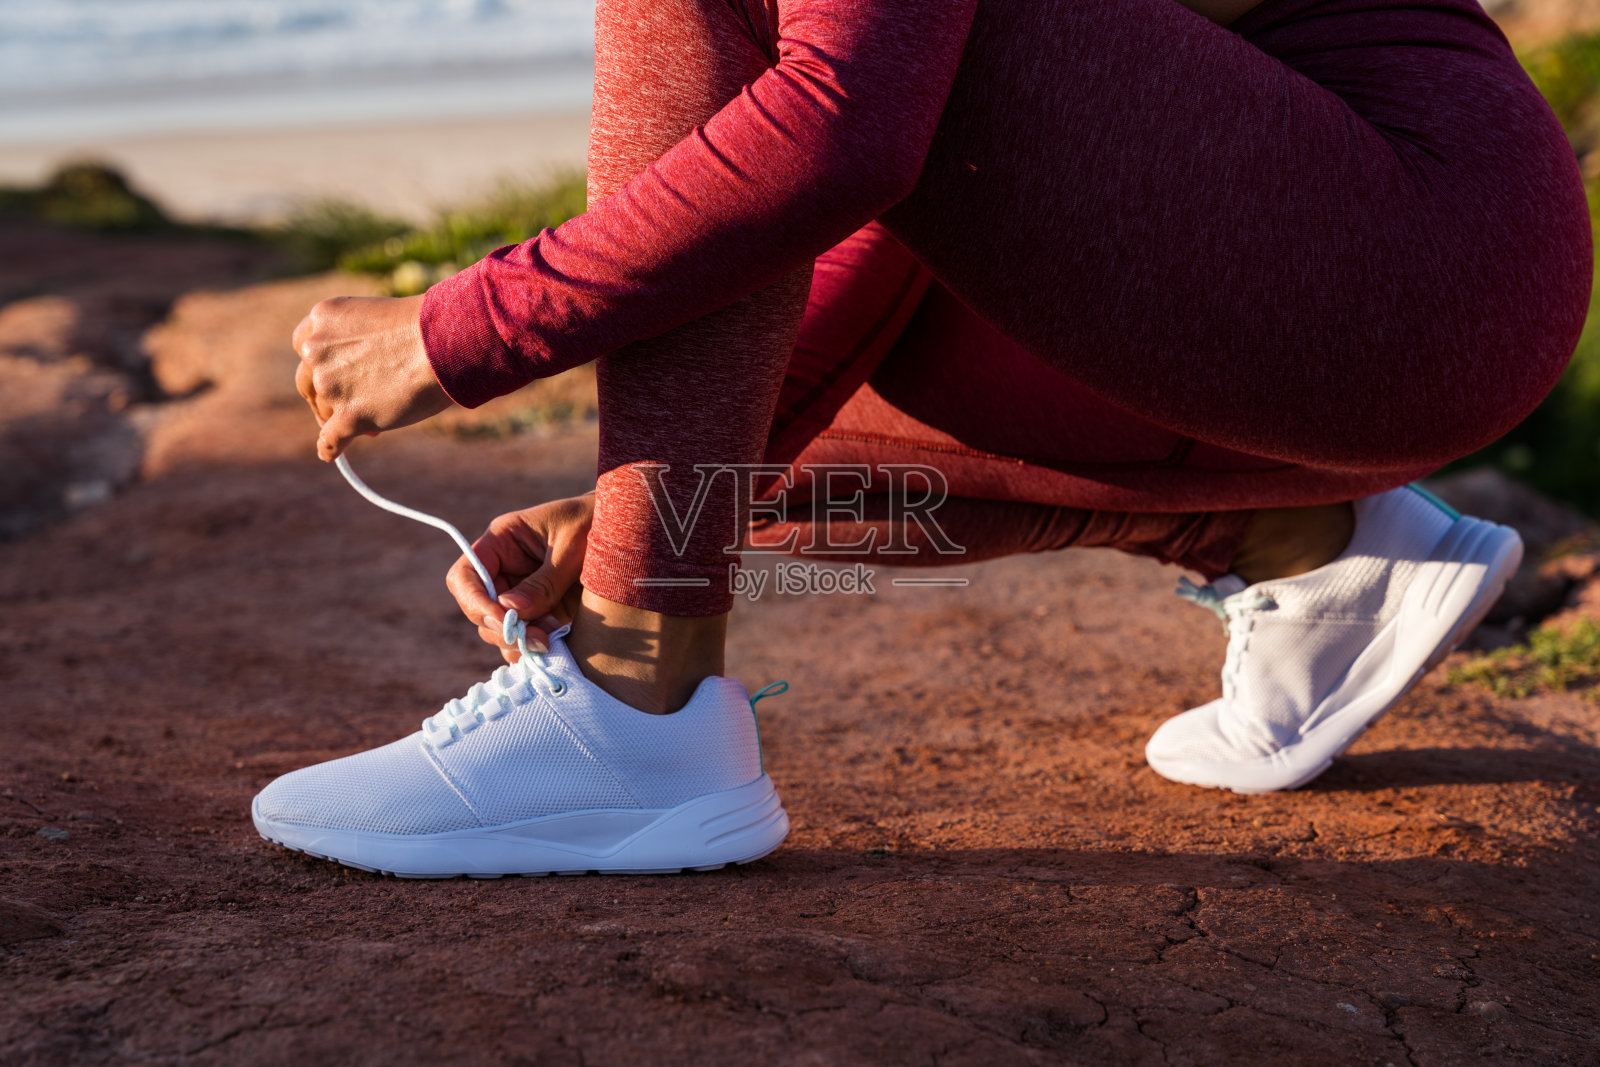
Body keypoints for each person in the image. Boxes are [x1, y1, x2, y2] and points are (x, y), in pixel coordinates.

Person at [252, 0, 1589, 877]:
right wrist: (634, 519)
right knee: (748, 437)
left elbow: (843, 135)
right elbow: (899, 205)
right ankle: (1303, 537)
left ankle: (630, 707)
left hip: (1400, 247)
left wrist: (461, 328)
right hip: (1388, 287)